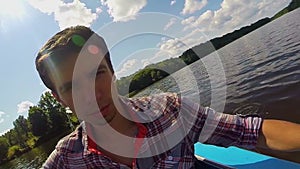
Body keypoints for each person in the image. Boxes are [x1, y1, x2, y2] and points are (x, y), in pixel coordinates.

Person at [35, 25, 300, 169]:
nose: (92, 95)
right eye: (71, 87)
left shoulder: (170, 110)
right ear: (59, 99)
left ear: (113, 72)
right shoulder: (65, 160)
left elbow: (250, 132)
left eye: (97, 74)